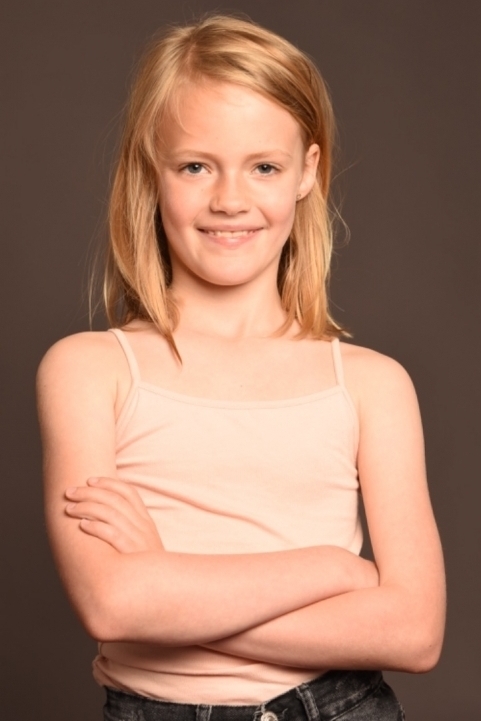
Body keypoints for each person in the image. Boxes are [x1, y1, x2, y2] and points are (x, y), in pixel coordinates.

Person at [36, 14, 445, 721]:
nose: (230, 200)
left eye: (264, 167)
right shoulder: (90, 371)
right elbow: (113, 605)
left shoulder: (371, 385)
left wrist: (168, 587)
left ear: (307, 172)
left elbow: (413, 631)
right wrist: (331, 570)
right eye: (195, 166)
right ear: (152, 170)